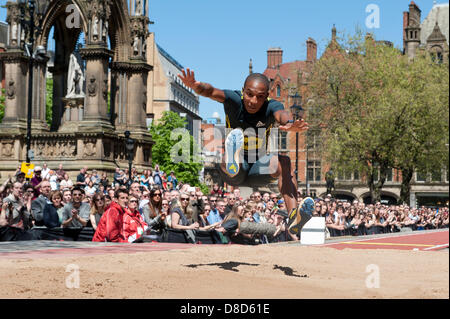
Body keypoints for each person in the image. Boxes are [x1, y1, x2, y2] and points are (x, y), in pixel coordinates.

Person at [178, 69, 313, 236]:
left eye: (260, 97)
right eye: (249, 94)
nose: (253, 101)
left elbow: (282, 115)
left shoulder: (272, 106)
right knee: (228, 156)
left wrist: (290, 123)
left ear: (266, 96)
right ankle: (233, 157)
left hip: (258, 168)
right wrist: (196, 87)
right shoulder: (234, 100)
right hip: (236, 170)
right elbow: (211, 91)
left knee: (284, 162)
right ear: (243, 92)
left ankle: (294, 217)